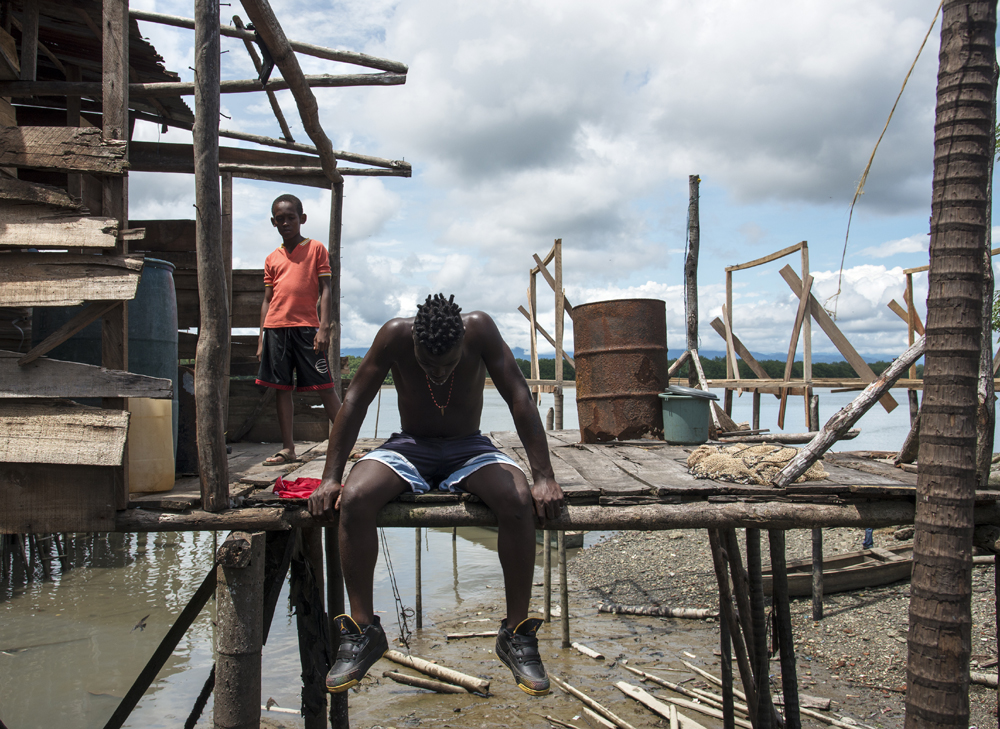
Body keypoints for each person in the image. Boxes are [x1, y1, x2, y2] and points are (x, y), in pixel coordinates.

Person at [308, 293, 565, 696]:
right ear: (414, 343)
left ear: (463, 340)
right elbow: (355, 400)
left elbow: (518, 396)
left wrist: (543, 476)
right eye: (428, 364)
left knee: (517, 501)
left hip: (469, 446)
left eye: (448, 364)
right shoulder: (394, 335)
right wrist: (330, 477)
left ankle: (516, 635)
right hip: (411, 445)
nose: (439, 373)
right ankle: (363, 632)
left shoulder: (479, 330)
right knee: (355, 498)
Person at [256, 194, 341, 464]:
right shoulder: (272, 258)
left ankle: (347, 441)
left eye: (290, 218)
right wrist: (261, 337)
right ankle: (288, 449)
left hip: (307, 329)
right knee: (282, 389)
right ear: (273, 222)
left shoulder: (316, 249)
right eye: (279, 219)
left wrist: (324, 327)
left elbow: (326, 289)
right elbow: (268, 300)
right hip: (275, 330)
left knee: (326, 387)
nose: (285, 223)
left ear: (301, 219)